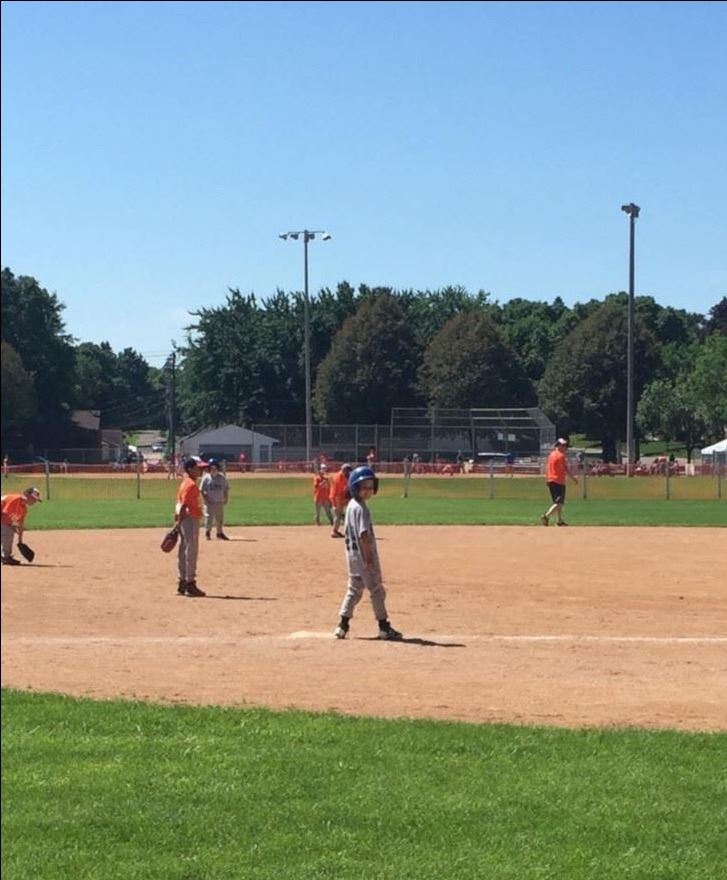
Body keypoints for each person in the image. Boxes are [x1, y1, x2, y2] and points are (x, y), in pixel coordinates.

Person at [333, 466, 402, 641]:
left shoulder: (351, 506)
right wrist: (369, 559)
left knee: (354, 589)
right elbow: (364, 535)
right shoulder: (361, 508)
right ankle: (384, 627)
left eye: (370, 487)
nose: (368, 491)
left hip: (352, 557)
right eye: (364, 487)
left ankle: (342, 626)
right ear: (355, 488)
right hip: (364, 557)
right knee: (377, 590)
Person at [174, 456, 209, 596]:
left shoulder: (185, 483)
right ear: (190, 469)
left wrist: (177, 522)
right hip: (190, 520)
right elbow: (183, 506)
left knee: (183, 551)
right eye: (198, 468)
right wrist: (178, 523)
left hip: (184, 520)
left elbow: (178, 504)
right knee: (191, 551)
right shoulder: (191, 485)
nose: (201, 470)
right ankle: (190, 583)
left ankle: (182, 582)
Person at [540, 438, 579, 527]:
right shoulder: (560, 456)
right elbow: (565, 469)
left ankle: (559, 520)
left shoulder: (551, 455)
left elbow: (548, 468)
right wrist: (573, 478)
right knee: (559, 503)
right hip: (558, 481)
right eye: (564, 446)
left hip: (551, 480)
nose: (566, 448)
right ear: (559, 446)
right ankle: (546, 516)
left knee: (558, 502)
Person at [1, 487, 42, 565]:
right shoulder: (16, 500)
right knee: (7, 531)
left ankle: (5, 556)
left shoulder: (23, 509)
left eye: (36, 500)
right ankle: (5, 558)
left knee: (8, 530)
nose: (35, 501)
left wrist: (20, 542)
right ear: (27, 496)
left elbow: (20, 525)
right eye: (33, 498)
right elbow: (4, 515)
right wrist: (10, 527)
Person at [200, 459, 230, 540]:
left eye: (215, 468)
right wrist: (206, 499)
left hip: (219, 501)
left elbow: (226, 489)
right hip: (209, 502)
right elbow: (202, 490)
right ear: (209, 469)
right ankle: (207, 533)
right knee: (209, 518)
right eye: (212, 468)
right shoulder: (206, 478)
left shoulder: (222, 478)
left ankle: (219, 533)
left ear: (218, 468)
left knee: (219, 518)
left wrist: (226, 498)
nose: (213, 470)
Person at [329, 462, 352, 538]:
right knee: (338, 515)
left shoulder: (342, 476)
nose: (349, 472)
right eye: (347, 470)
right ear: (344, 469)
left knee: (339, 515)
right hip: (337, 497)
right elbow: (337, 492)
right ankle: (334, 531)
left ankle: (337, 530)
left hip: (339, 497)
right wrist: (336, 503)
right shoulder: (339, 477)